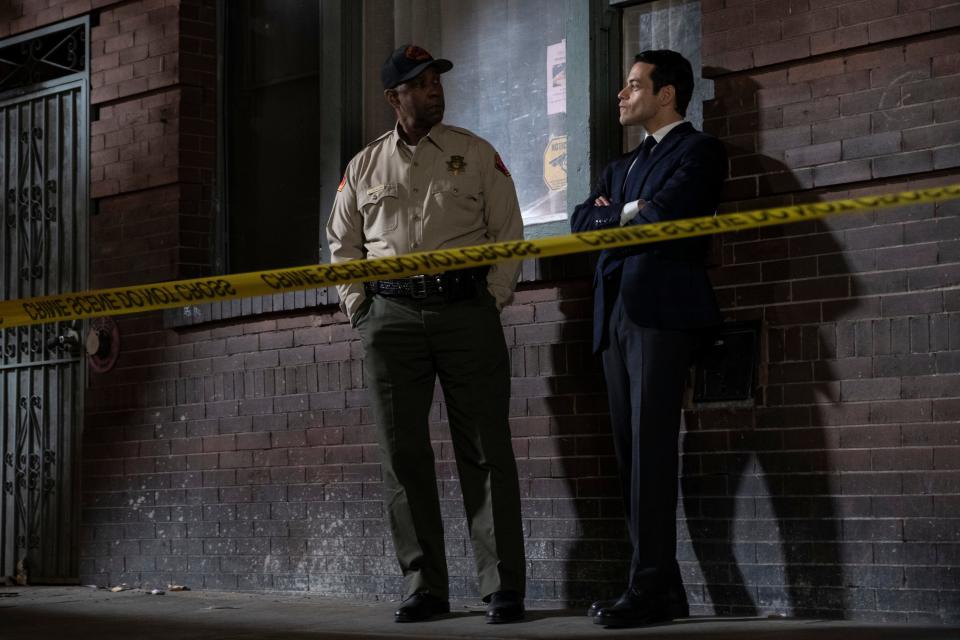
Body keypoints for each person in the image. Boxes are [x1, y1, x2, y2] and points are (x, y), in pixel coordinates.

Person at [326, 44, 526, 625]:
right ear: (395, 98)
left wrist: (492, 297)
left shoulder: (475, 153)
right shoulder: (364, 167)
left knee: (487, 450)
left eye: (437, 78)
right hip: (390, 321)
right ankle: (424, 586)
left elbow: (508, 232)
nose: (434, 88)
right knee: (402, 455)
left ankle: (502, 587)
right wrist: (360, 310)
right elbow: (342, 246)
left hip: (467, 312)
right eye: (420, 82)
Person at [570, 49, 727, 628]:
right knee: (630, 452)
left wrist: (631, 213)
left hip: (661, 314)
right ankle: (659, 584)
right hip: (613, 315)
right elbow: (582, 222)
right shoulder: (620, 166)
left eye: (633, 85)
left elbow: (667, 214)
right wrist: (628, 211)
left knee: (654, 450)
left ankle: (651, 586)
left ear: (667, 94)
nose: (621, 94)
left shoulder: (700, 151)